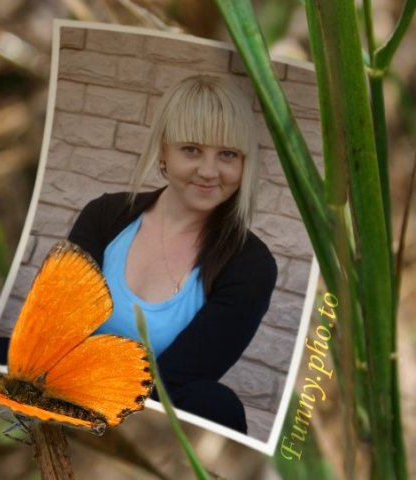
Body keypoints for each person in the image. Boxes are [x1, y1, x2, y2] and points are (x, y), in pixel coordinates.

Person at [67, 74, 277, 433]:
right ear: (164, 150)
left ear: (245, 163)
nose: (209, 172)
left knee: (215, 404)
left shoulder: (252, 266)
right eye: (191, 149)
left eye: (227, 154)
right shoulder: (104, 215)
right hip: (66, 382)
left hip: (147, 422)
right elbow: (59, 325)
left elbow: (173, 384)